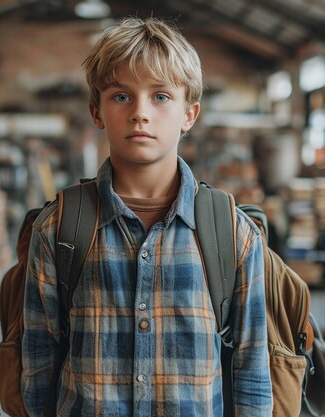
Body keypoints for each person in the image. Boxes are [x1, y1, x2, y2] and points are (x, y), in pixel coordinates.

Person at [21, 16, 272, 417]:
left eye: (160, 97)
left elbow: (253, 368)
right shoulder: (59, 229)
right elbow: (38, 362)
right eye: (121, 96)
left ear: (189, 114)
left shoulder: (232, 233)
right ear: (96, 111)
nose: (141, 113)